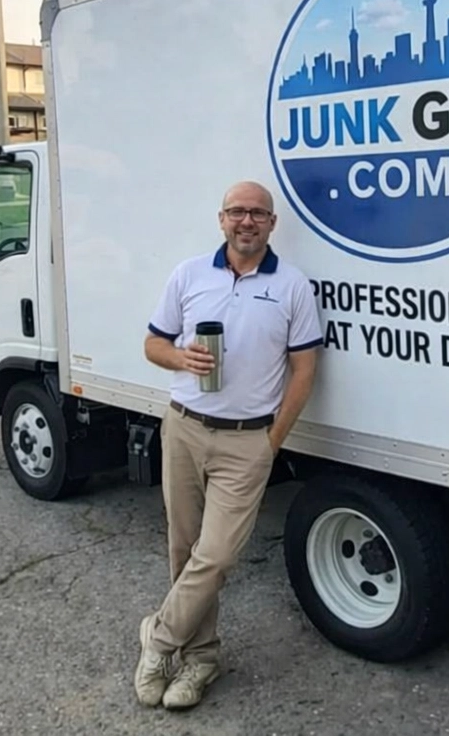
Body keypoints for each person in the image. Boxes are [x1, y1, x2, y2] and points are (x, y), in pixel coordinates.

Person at [133, 180, 322, 710]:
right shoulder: (188, 274)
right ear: (221, 219)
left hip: (247, 442)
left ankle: (160, 640)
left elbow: (304, 370)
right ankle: (201, 659)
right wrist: (180, 359)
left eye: (257, 213)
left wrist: (272, 442)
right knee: (183, 550)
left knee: (215, 558)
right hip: (185, 427)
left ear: (271, 224)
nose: (247, 221)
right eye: (237, 212)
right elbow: (152, 343)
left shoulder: (291, 286)